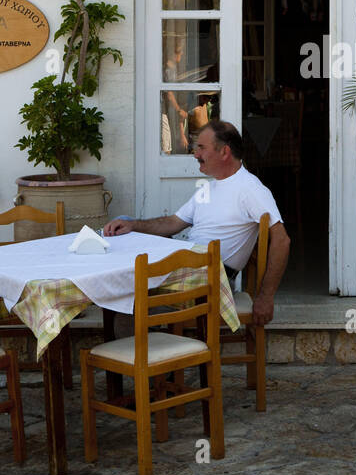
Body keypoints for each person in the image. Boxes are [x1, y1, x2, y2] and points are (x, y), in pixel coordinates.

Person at [103, 120, 290, 325]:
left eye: (201, 147)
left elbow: (282, 241)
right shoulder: (209, 188)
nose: (195, 154)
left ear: (224, 152)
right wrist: (132, 225)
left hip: (208, 279)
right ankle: (147, 348)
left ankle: (141, 352)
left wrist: (266, 297)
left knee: (125, 302)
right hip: (187, 269)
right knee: (119, 287)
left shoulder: (250, 189)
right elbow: (172, 223)